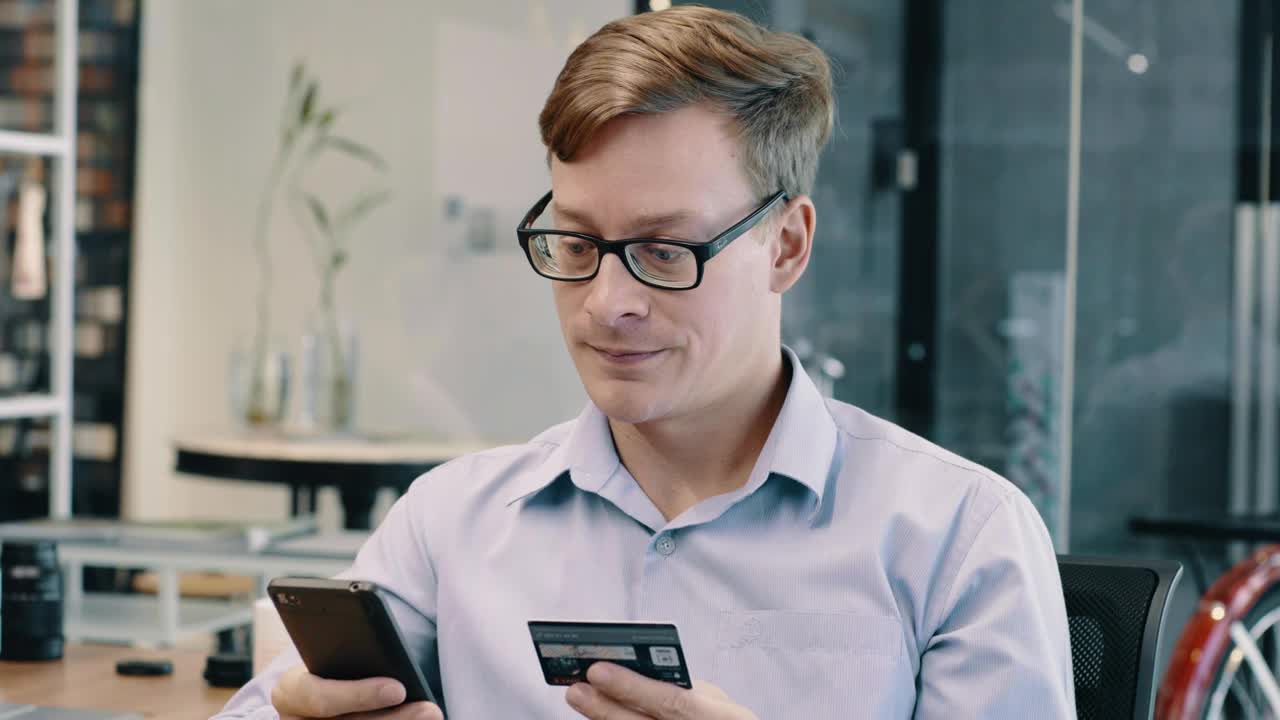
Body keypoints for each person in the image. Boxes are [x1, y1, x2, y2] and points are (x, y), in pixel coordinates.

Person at [214, 6, 1074, 719]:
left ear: (786, 245)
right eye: (576, 244)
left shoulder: (958, 537)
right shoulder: (451, 526)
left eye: (664, 251)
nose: (606, 303)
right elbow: (271, 705)